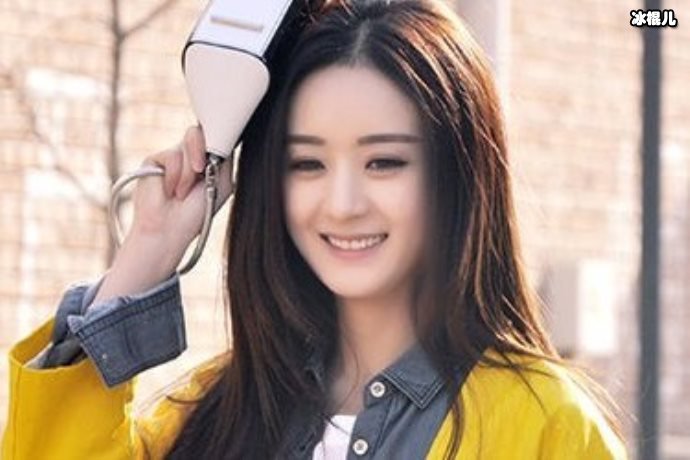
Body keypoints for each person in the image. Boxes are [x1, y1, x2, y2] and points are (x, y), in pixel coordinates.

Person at [2, 0, 627, 458]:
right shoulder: (212, 415)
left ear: (457, 176)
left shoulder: (547, 425)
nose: (343, 204)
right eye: (308, 164)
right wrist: (148, 252)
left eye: (384, 162)